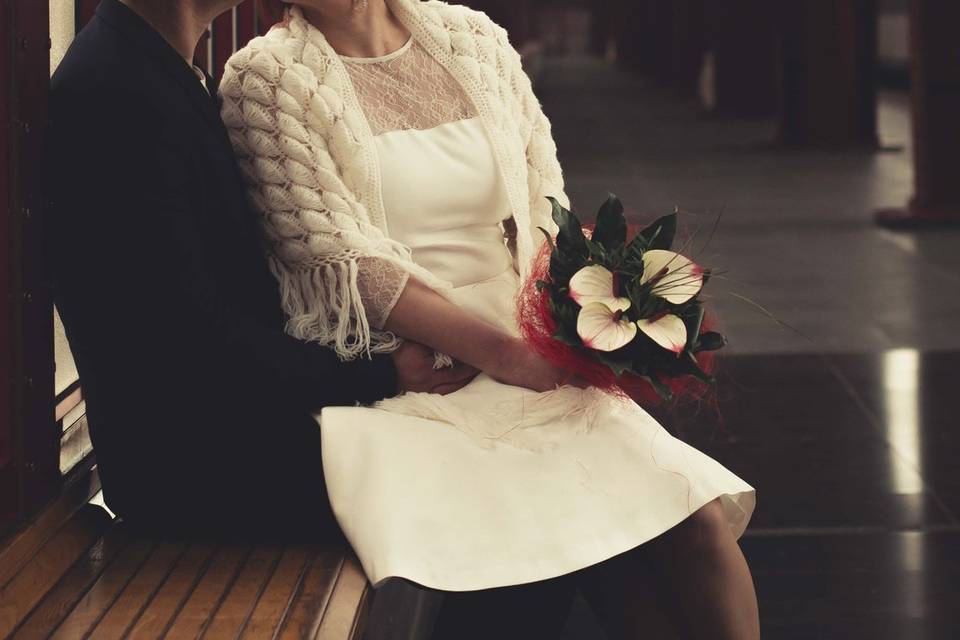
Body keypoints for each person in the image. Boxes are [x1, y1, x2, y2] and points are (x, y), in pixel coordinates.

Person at [221, 0, 761, 637]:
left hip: (530, 342)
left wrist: (585, 320)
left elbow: (546, 201)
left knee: (694, 527)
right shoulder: (265, 78)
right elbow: (342, 263)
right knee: (542, 558)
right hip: (418, 370)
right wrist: (503, 355)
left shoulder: (470, 36)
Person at [44, 0, 477, 541]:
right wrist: (384, 373)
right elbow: (192, 347)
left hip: (237, 427)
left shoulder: (157, 67)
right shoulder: (113, 95)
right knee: (486, 471)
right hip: (201, 473)